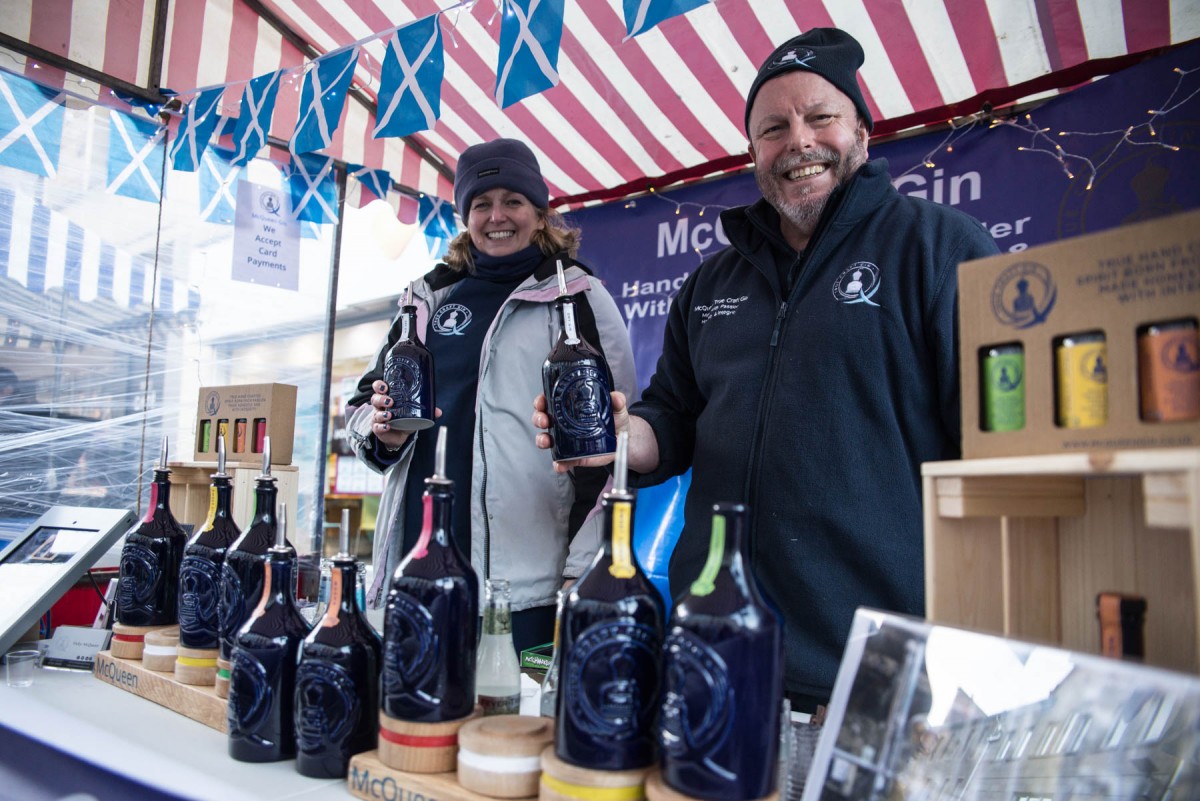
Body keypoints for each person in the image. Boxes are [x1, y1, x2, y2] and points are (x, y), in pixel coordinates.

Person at [534, 28, 1000, 712]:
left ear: (863, 134)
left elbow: (990, 455)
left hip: (872, 670)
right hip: (713, 649)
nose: (799, 142)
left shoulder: (940, 248)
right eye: (774, 128)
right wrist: (620, 437)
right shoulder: (710, 283)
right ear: (753, 153)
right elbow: (672, 418)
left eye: (821, 117)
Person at [347, 138, 637, 653]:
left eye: (513, 201)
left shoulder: (578, 298)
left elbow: (614, 453)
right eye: (481, 204)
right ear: (465, 216)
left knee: (507, 727)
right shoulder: (426, 300)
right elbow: (362, 409)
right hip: (419, 576)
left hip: (526, 587)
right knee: (416, 725)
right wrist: (383, 431)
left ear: (539, 212)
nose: (497, 216)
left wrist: (584, 569)